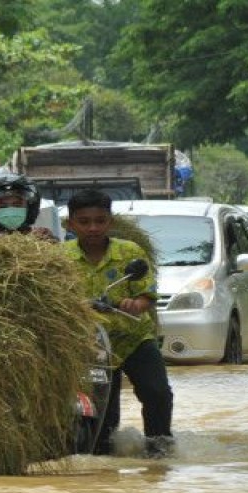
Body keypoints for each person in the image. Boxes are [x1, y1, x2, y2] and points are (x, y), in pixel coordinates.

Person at [62, 189, 174, 458]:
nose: (93, 228)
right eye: (84, 221)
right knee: (102, 413)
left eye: (100, 221)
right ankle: (102, 460)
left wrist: (135, 304)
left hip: (134, 338)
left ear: (110, 222)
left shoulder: (130, 252)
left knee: (157, 393)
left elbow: (147, 294)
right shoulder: (61, 258)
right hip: (92, 346)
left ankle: (160, 450)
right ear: (71, 224)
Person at [0, 171, 56, 240]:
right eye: (3, 206)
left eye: (17, 205)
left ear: (29, 208)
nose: (10, 210)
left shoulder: (43, 237)